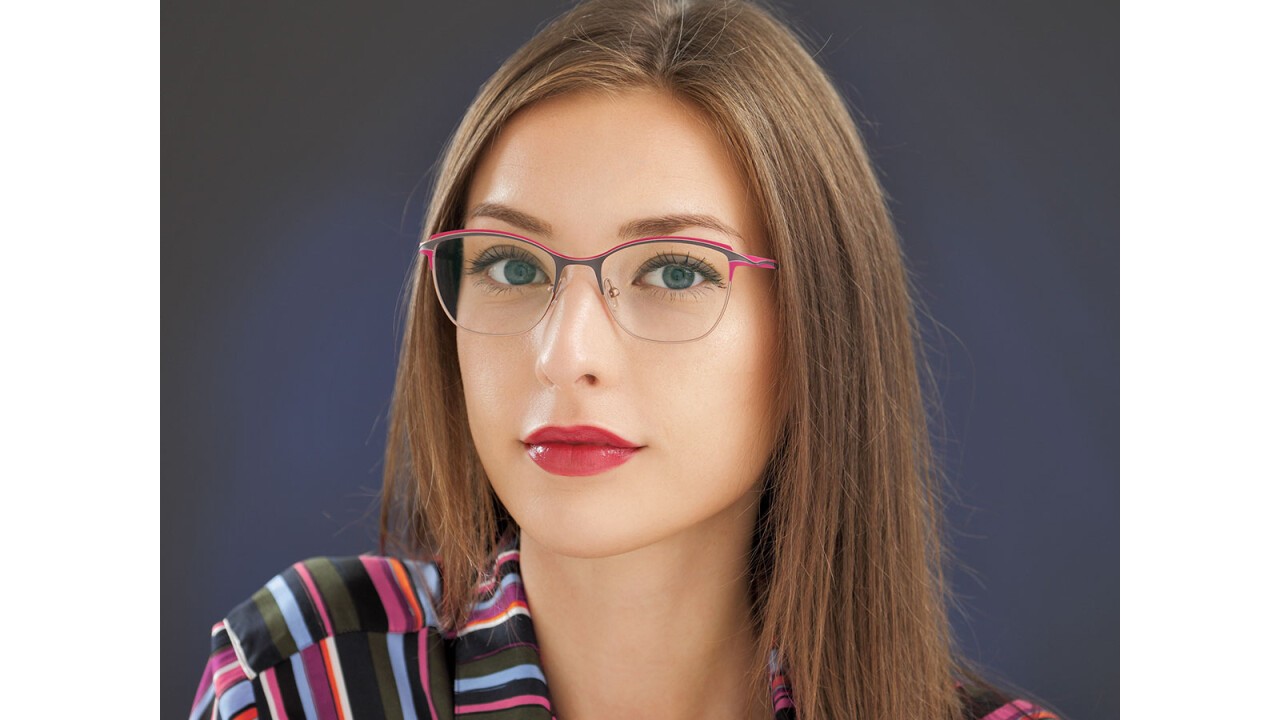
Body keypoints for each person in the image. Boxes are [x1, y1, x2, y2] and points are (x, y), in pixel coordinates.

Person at [189, 0, 1060, 718]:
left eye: (674, 271)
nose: (565, 356)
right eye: (512, 266)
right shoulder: (299, 684)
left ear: (815, 328)